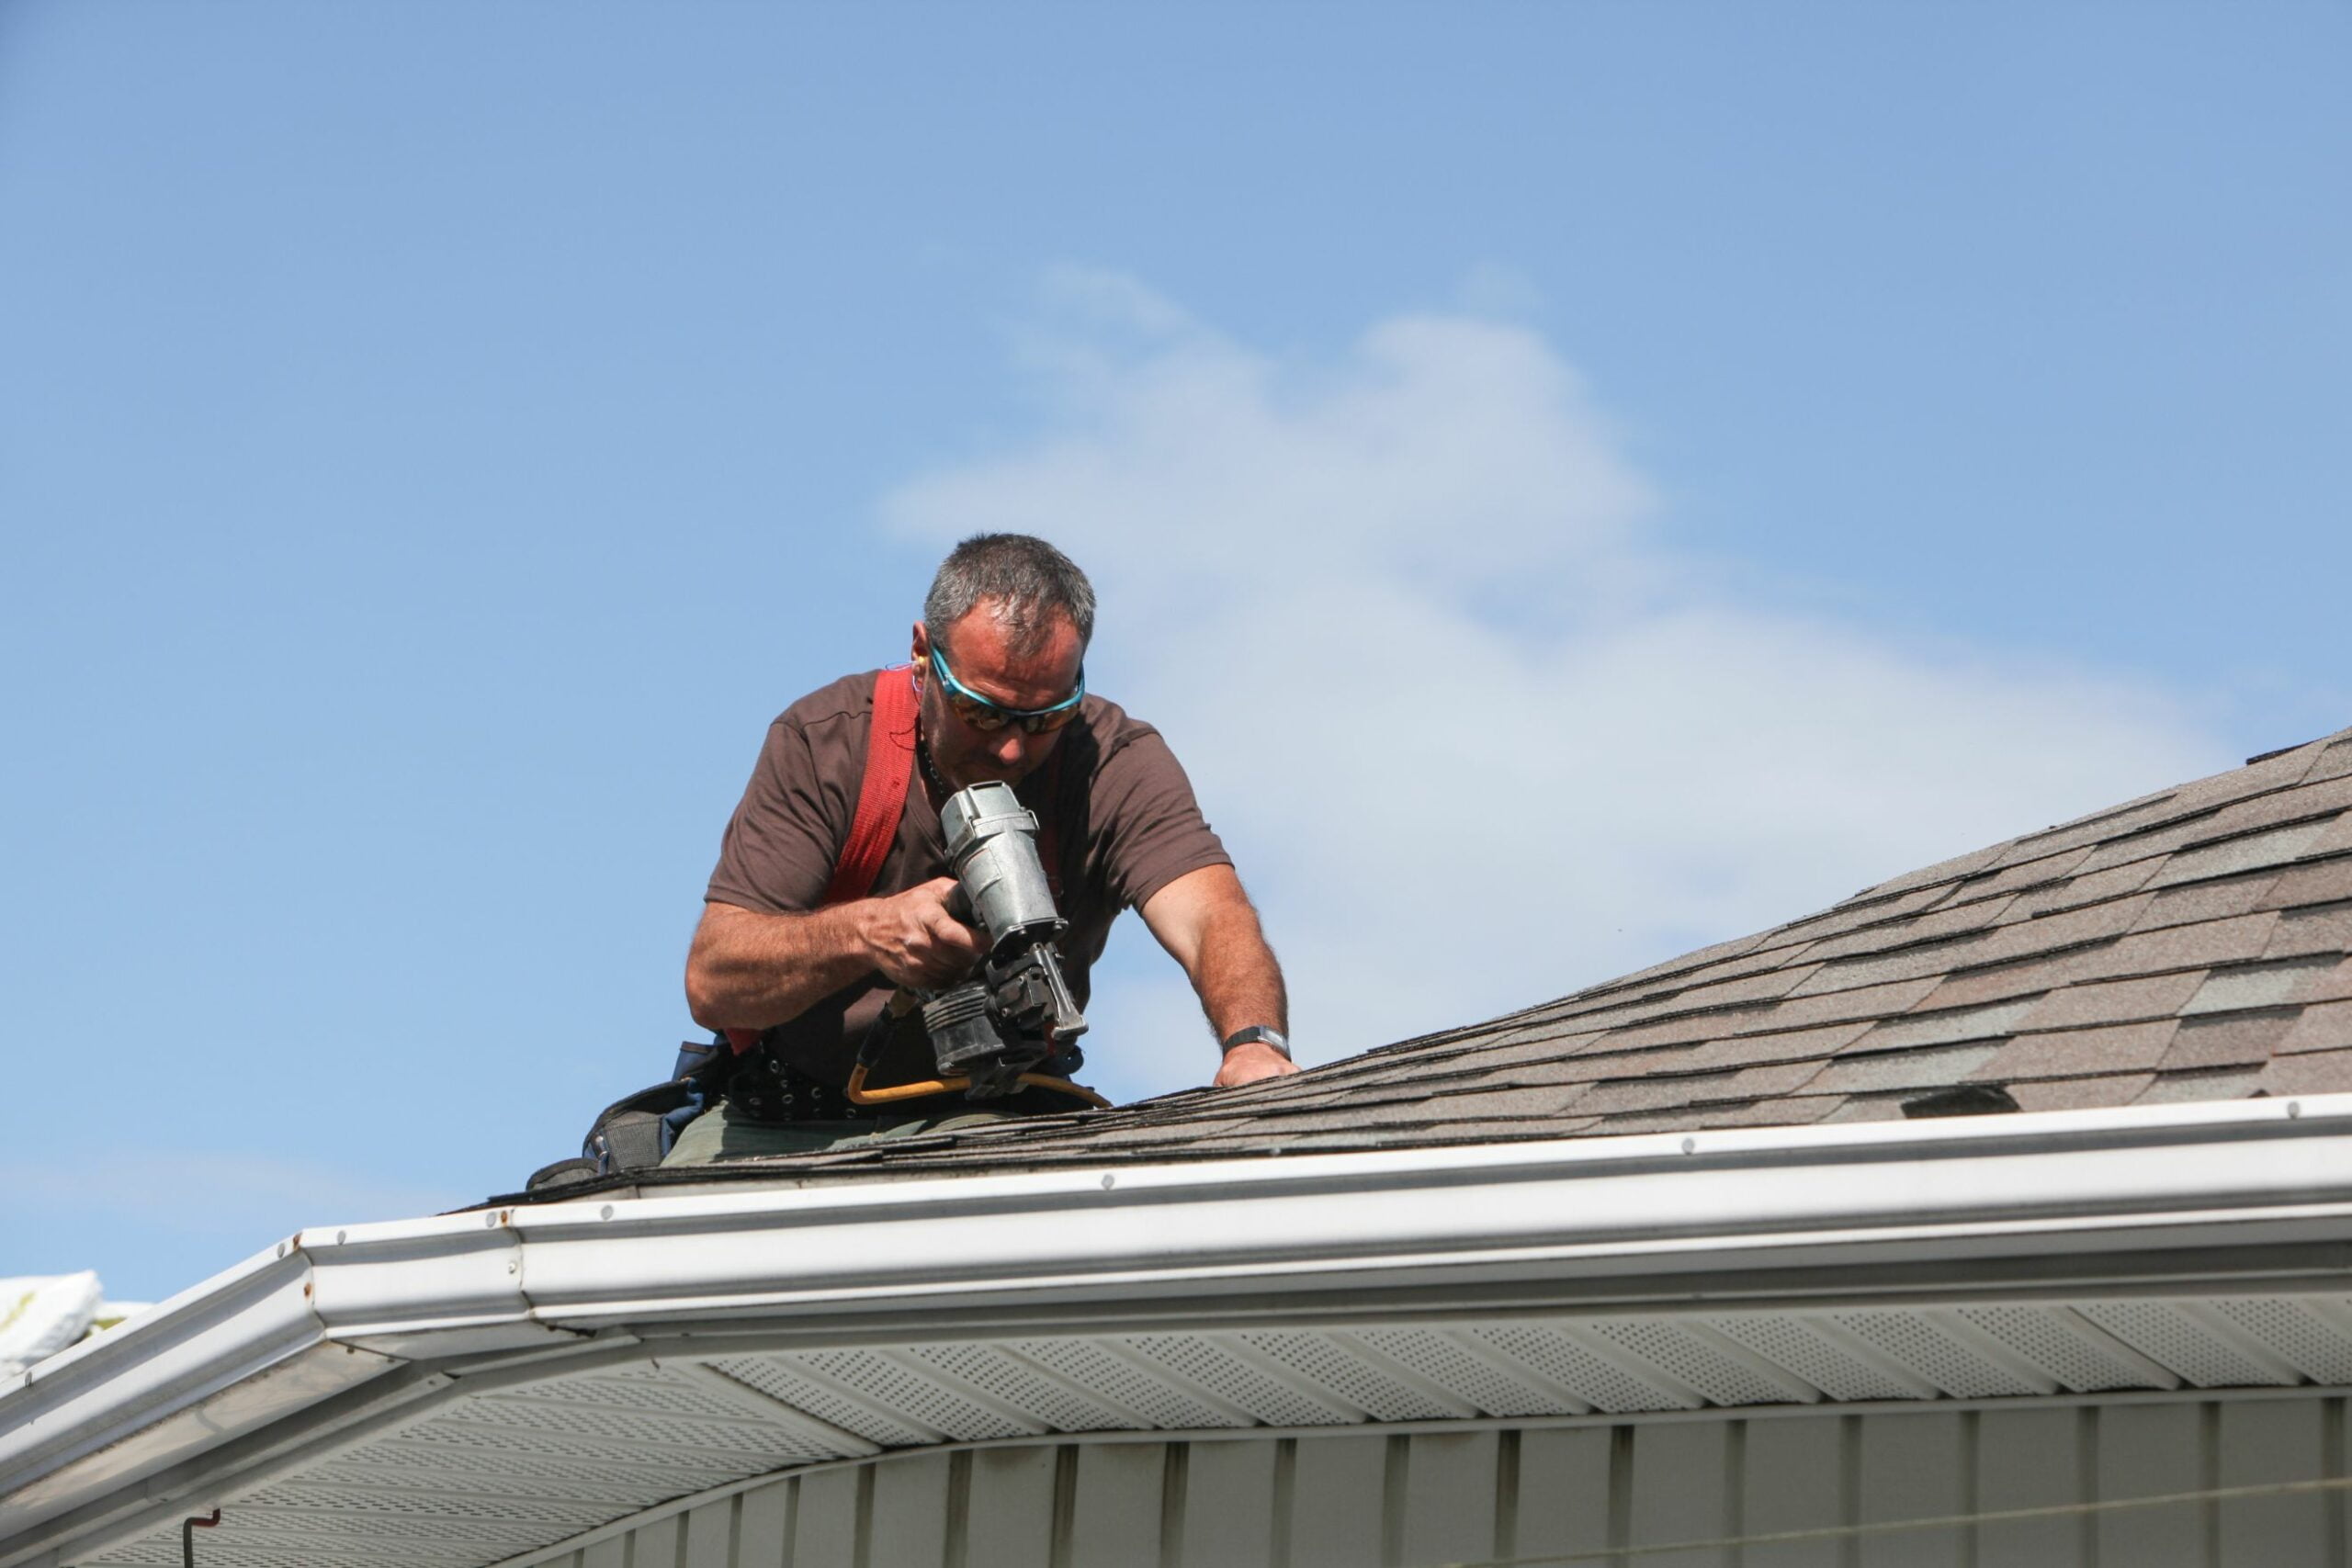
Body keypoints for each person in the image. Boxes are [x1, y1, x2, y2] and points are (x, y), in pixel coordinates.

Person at [667, 533, 1295, 1164]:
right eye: (984, 713)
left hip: (1001, 1114)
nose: (1013, 750)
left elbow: (1212, 914)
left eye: (1046, 717)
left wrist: (1254, 1041)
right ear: (922, 653)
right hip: (791, 1120)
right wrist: (866, 933)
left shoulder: (1112, 761)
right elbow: (713, 981)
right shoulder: (825, 743)